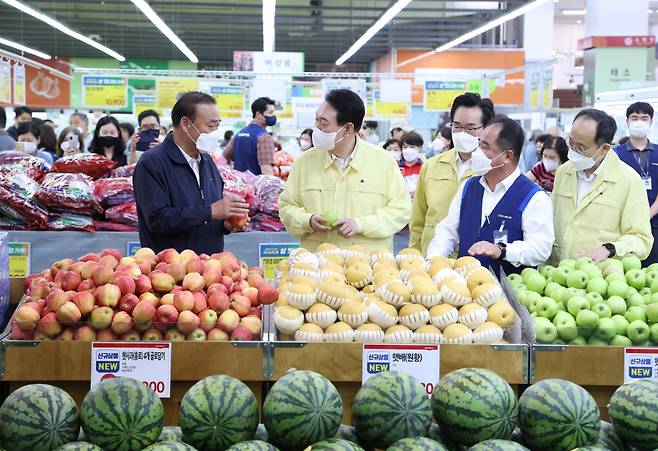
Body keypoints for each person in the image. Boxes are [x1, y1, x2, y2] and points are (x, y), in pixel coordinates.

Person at [279, 89, 411, 251]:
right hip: (315, 267)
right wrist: (308, 220)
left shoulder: (383, 163)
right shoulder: (304, 163)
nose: (316, 128)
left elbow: (401, 211)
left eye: (323, 123)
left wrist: (361, 224)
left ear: (347, 129)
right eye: (316, 120)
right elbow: (286, 207)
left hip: (368, 267)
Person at [427, 116, 554, 275]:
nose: (476, 152)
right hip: (466, 290)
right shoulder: (468, 187)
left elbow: (540, 248)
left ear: (507, 156)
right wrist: (434, 260)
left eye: (485, 147)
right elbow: (447, 231)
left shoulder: (534, 197)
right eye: (479, 144)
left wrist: (503, 250)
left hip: (508, 293)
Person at [133, 92, 249, 254]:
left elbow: (205, 216)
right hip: (169, 270)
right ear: (186, 124)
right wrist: (210, 211)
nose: (215, 132)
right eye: (210, 126)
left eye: (217, 125)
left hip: (210, 269)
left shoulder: (208, 162)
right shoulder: (152, 163)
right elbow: (157, 220)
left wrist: (225, 224)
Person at [552, 109, 653, 263]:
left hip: (600, 277)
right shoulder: (563, 172)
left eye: (581, 147)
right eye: (570, 142)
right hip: (555, 273)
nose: (572, 151)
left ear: (604, 149)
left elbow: (641, 239)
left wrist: (609, 249)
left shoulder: (628, 181)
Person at [410, 92, 495, 255]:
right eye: (457, 126)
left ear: (487, 128)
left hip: (474, 263)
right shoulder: (431, 166)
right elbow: (418, 221)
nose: (462, 133)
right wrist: (415, 255)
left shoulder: (492, 169)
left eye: (471, 128)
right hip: (432, 261)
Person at [615, 102, 658, 264]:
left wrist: (648, 214)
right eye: (634, 118)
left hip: (654, 222)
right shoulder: (616, 154)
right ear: (627, 121)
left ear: (651, 121)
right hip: (624, 224)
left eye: (644, 118)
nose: (639, 121)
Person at [224, 97, 276, 175]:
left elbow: (225, 156)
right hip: (256, 185)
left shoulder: (239, 134)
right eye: (270, 112)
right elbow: (266, 169)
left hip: (239, 184)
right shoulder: (264, 137)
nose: (273, 116)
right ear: (258, 114)